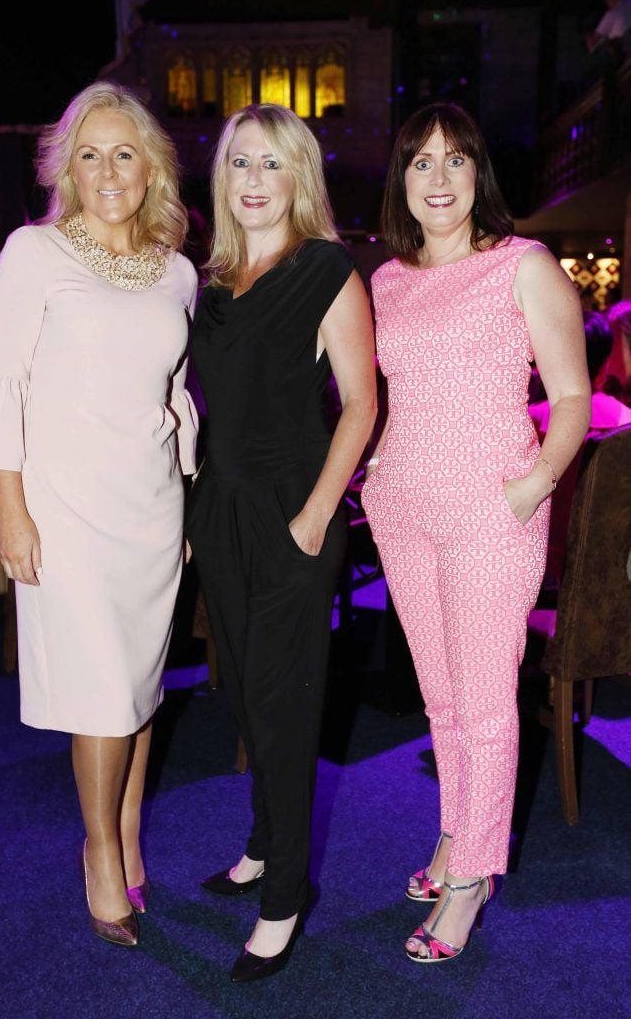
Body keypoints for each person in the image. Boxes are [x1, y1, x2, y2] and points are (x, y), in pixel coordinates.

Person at [0, 81, 198, 947]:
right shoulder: (34, 253)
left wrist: (179, 504)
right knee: (102, 694)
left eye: (125, 153)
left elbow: (177, 399)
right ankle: (100, 851)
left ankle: (129, 834)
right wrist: (10, 512)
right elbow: (3, 388)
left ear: (151, 170)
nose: (108, 170)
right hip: (65, 506)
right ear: (69, 166)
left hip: (150, 506)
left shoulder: (175, 270)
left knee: (138, 693)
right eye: (90, 154)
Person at [361, 102, 590, 963]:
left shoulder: (523, 265)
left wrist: (536, 485)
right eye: (421, 163)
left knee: (489, 705)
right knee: (444, 700)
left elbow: (571, 396)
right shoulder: (388, 281)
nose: (440, 178)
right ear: (403, 183)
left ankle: (470, 880)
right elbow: (391, 396)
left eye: (456, 161)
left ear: (478, 174)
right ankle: (458, 834)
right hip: (406, 511)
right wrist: (376, 470)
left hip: (493, 511)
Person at [185, 103, 377, 983]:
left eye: (271, 164)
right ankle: (264, 843)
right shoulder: (212, 279)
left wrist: (314, 515)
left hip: (295, 511)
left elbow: (362, 404)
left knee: (284, 701)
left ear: (299, 176)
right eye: (238, 164)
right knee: (248, 698)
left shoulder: (329, 269)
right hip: (218, 513)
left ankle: (284, 896)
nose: (253, 182)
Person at [530, 310, 631, 585]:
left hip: (540, 566)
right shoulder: (626, 422)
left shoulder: (528, 421)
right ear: (606, 360)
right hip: (604, 568)